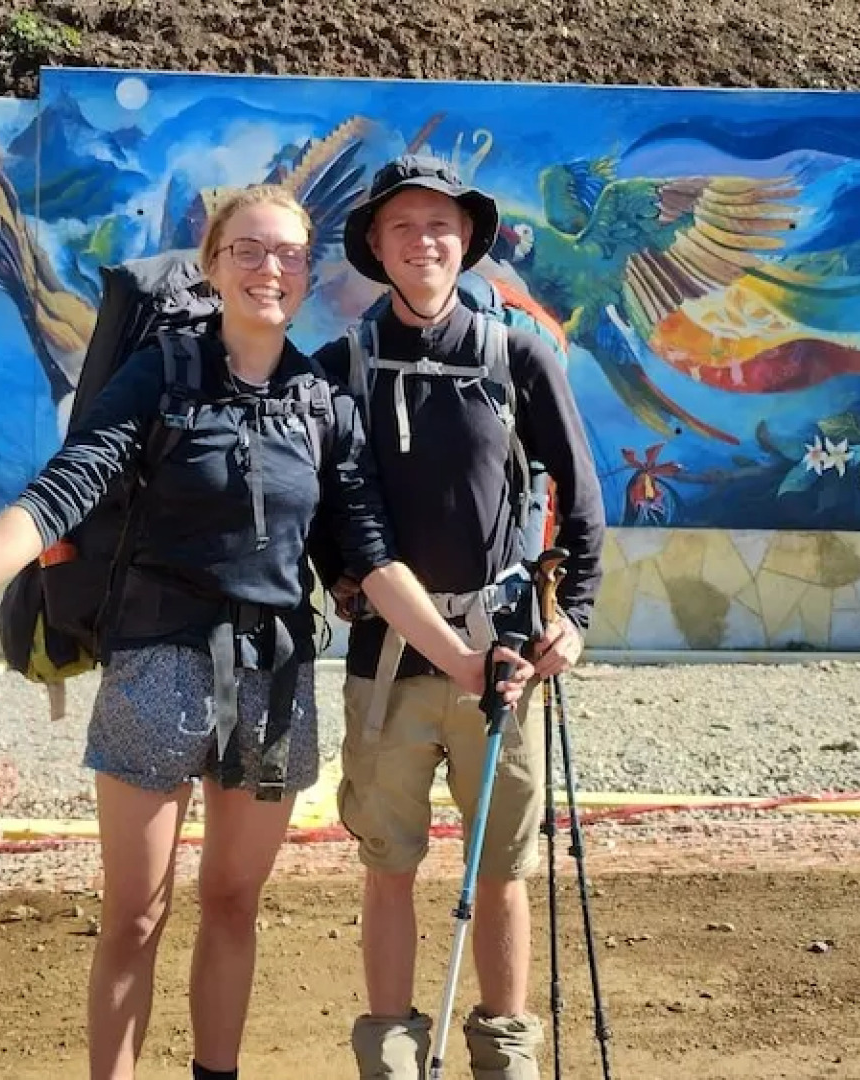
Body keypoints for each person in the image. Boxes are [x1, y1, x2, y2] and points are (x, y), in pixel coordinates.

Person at [0, 183, 537, 1080]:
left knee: (232, 905)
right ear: (214, 265)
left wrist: (462, 660)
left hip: (274, 682)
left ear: (307, 273)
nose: (270, 268)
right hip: (158, 672)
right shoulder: (164, 374)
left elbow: (371, 554)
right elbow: (60, 494)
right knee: (136, 915)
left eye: (289, 254)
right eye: (249, 250)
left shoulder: (323, 398)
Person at [310, 155, 606, 1080]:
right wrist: (338, 576)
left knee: (502, 868)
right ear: (378, 248)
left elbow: (582, 496)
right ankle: (391, 1055)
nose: (424, 242)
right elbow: (321, 504)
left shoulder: (517, 354)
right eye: (404, 227)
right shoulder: (339, 367)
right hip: (385, 664)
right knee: (389, 860)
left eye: (441, 225)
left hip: (503, 659)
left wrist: (577, 617)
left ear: (468, 240)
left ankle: (504, 1055)